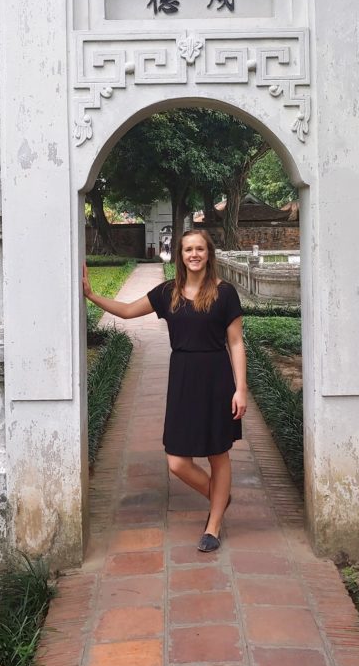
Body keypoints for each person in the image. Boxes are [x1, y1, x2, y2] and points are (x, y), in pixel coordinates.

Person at [82, 228, 247, 552]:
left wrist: (240, 389)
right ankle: (220, 496)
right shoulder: (168, 293)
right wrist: (91, 295)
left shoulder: (225, 293)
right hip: (183, 378)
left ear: (208, 253)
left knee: (218, 451)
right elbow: (128, 311)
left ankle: (213, 525)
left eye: (200, 249)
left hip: (216, 376)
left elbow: (236, 342)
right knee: (177, 460)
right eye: (188, 249)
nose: (194, 254)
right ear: (180, 255)